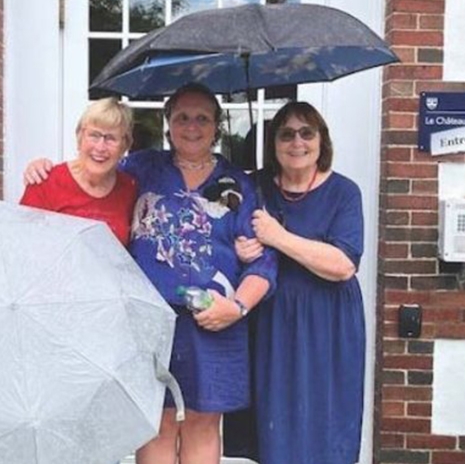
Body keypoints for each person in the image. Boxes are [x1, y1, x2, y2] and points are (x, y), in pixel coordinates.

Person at [24, 83, 277, 464]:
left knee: (203, 423)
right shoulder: (141, 169)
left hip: (216, 322)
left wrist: (238, 307)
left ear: (217, 126)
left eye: (202, 119)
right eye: (182, 118)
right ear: (168, 124)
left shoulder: (239, 184)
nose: (192, 127)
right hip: (147, 323)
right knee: (154, 423)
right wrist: (44, 168)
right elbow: (93, 174)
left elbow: (263, 262)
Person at [233, 101, 366, 464]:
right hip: (270, 320)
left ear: (322, 141)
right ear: (273, 143)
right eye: (286, 133)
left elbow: (342, 265)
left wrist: (278, 237)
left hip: (327, 322)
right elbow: (223, 236)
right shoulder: (255, 186)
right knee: (274, 422)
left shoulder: (344, 192)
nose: (297, 142)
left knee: (324, 421)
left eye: (307, 133)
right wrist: (241, 249)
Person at [20, 97, 137, 246]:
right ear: (80, 137)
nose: (100, 147)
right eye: (94, 135)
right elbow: (22, 243)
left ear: (124, 145)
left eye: (111, 138)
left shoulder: (129, 189)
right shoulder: (45, 182)